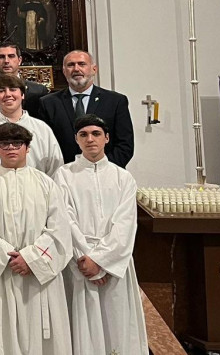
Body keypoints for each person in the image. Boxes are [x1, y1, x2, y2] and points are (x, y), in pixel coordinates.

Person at [0, 122, 73, 354]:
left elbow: (59, 229)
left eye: (17, 143)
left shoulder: (46, 183)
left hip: (38, 274)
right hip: (2, 272)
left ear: (28, 147)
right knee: (3, 334)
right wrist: (9, 257)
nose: (11, 148)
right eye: (4, 143)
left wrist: (31, 258)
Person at [54, 115, 147, 355]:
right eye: (83, 135)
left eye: (96, 134)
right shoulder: (64, 175)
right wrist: (85, 260)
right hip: (79, 265)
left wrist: (101, 262)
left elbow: (125, 224)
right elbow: (65, 220)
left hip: (116, 266)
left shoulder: (123, 178)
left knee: (118, 326)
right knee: (84, 329)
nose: (90, 139)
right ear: (76, 140)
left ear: (107, 138)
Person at [40, 50, 134, 166]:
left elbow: (125, 144)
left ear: (94, 69)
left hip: (107, 175)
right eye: (71, 65)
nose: (76, 69)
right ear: (64, 71)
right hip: (64, 175)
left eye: (82, 64)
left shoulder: (116, 101)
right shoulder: (48, 103)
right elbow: (45, 145)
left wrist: (101, 169)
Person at [0, 74, 64, 176]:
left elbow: (55, 167)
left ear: (22, 95)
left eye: (13, 89)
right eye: (1, 91)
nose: (7, 94)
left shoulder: (42, 128)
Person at [0, 42, 48, 116]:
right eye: (1, 57)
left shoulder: (39, 90)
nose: (6, 61)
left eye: (11, 56)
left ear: (19, 60)